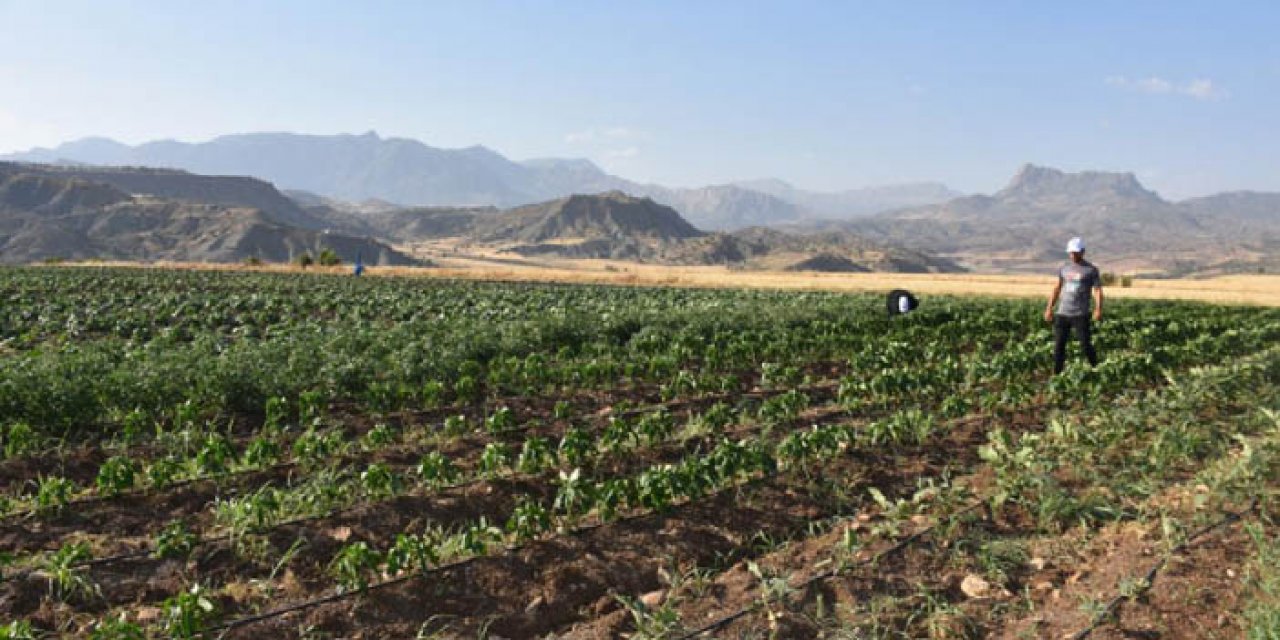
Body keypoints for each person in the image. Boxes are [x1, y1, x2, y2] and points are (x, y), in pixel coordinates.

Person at [1044, 237, 1103, 374]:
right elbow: (1057, 289)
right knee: (1059, 346)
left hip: (1080, 314)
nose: (1073, 255)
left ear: (1082, 252)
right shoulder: (1064, 269)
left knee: (1085, 345)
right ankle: (1056, 375)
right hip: (1063, 312)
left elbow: (1098, 290)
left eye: (1076, 252)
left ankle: (1096, 369)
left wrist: (1098, 309)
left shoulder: (1091, 270)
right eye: (1071, 253)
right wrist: (1049, 308)